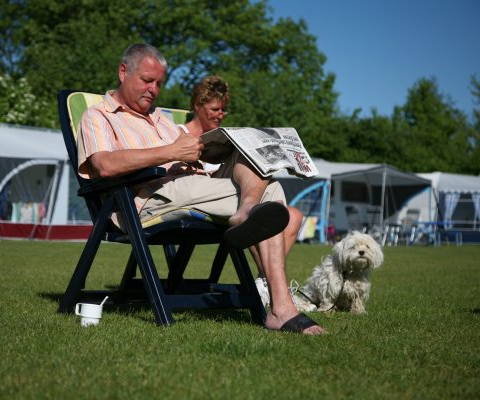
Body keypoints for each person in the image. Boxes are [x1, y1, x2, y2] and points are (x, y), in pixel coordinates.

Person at [76, 44, 324, 335]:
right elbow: (103, 165)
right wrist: (170, 152)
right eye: (147, 80)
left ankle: (248, 216)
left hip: (190, 186)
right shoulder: (99, 116)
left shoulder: (160, 120)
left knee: (259, 169)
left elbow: (188, 158)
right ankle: (281, 307)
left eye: (159, 83)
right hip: (147, 199)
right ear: (123, 72)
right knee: (270, 198)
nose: (154, 89)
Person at [181, 75, 304, 290]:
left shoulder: (221, 136)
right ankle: (275, 287)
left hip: (234, 194)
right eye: (214, 109)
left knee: (293, 216)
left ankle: (264, 282)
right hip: (206, 197)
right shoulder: (180, 135)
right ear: (196, 106)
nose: (220, 115)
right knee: (258, 214)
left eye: (223, 110)